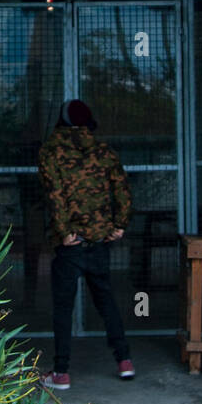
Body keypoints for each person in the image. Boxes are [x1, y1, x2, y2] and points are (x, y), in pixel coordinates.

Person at [37, 99, 135, 388]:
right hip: (99, 240)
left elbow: (54, 195)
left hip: (71, 244)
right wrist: (119, 225)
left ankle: (61, 373)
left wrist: (65, 231)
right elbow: (123, 190)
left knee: (63, 308)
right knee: (106, 302)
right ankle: (125, 361)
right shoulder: (104, 151)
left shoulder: (50, 152)